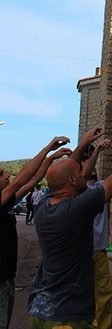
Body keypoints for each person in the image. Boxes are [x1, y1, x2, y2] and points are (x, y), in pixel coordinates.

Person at [28, 121, 112, 329]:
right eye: (80, 173)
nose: (84, 174)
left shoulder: (42, 206)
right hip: (65, 318)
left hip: (39, 311)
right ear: (71, 180)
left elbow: (63, 173)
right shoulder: (78, 209)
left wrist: (85, 143)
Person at [0, 136, 71, 329]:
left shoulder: (5, 203)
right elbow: (22, 178)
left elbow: (30, 182)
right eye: (1, 174)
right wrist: (48, 148)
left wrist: (50, 159)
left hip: (6, 279)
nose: (7, 176)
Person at [82, 139, 112, 329]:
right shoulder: (78, 191)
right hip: (82, 252)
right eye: (86, 162)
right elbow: (83, 175)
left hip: (99, 250)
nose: (92, 167)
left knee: (103, 293)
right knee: (83, 294)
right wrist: (97, 150)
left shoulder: (102, 187)